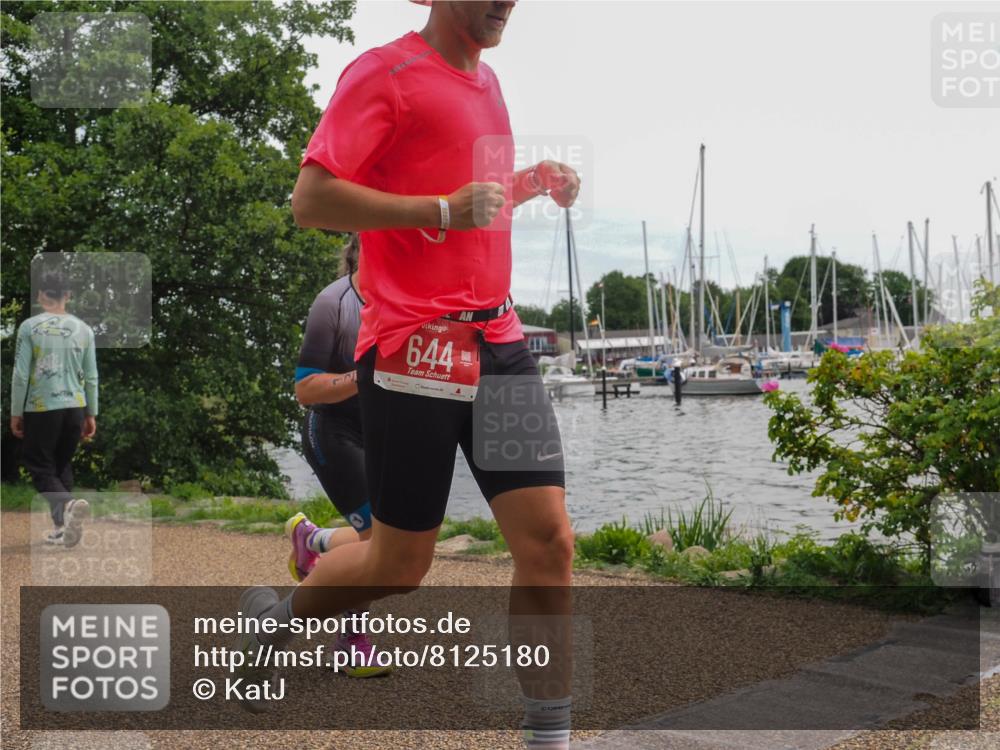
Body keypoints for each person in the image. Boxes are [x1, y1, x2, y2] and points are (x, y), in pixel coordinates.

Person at [240, 3, 580, 745]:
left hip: (499, 340)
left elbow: (473, 202)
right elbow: (311, 200)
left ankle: (547, 731)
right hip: (414, 347)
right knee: (399, 566)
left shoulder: (489, 84)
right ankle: (275, 622)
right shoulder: (384, 73)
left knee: (549, 543)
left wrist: (529, 181)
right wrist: (439, 210)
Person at [286, 234, 391, 678]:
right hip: (333, 431)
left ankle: (315, 541)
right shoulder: (333, 303)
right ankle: (351, 641)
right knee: (376, 542)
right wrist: (359, 378)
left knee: (399, 538)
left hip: (384, 433)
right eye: (381, 241)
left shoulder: (405, 301)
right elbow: (305, 389)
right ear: (359, 249)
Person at [10, 271, 97, 546]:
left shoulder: (29, 327)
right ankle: (62, 528)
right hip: (75, 407)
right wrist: (91, 413)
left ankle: (68, 505)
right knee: (60, 465)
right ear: (68, 295)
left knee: (38, 463)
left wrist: (16, 412)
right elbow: (91, 376)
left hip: (42, 407)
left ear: (40, 295)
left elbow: (21, 375)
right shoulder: (84, 330)